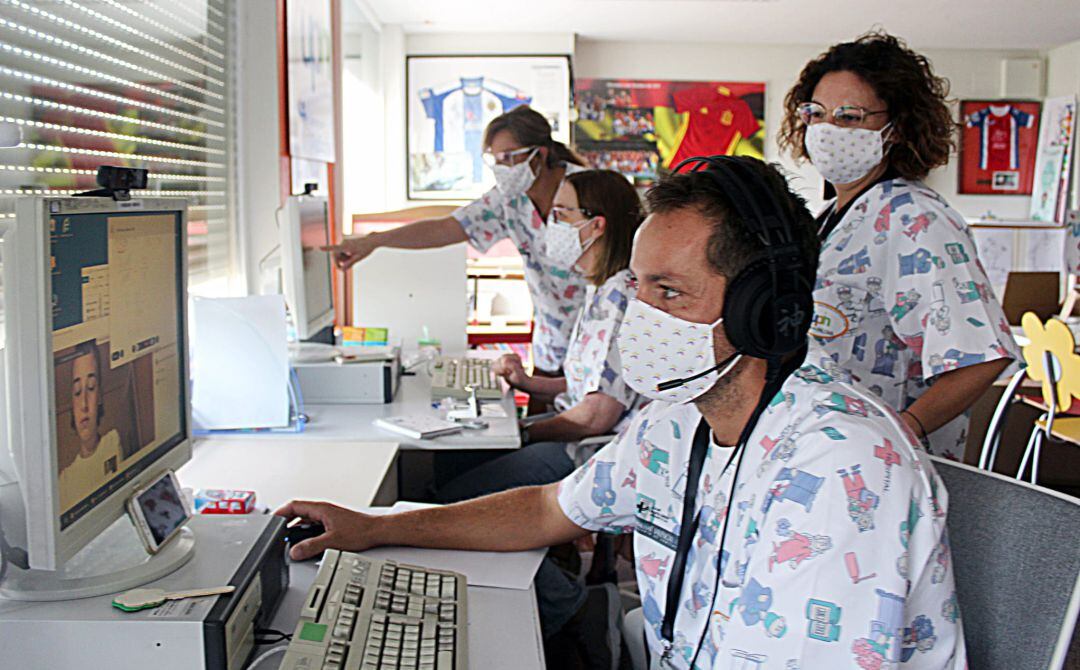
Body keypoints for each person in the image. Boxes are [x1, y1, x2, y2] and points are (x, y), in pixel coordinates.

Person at [277, 158, 965, 669]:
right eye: (637, 287)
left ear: (765, 310)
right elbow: (551, 509)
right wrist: (375, 528)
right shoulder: (677, 417)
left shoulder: (842, 466)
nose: (640, 315)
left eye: (670, 292)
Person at [778, 31, 1020, 459]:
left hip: (881, 466)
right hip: (817, 451)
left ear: (896, 128)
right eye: (816, 113)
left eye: (850, 117)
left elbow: (981, 357)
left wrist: (897, 434)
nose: (827, 129)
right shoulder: (828, 218)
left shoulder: (916, 220)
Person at [327, 106, 588, 403]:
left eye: (508, 157)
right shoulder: (508, 200)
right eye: (494, 159)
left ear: (539, 155)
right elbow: (444, 229)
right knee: (536, 435)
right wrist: (374, 242)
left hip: (598, 345)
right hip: (551, 348)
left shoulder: (589, 189)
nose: (501, 167)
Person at [437, 169, 647, 504]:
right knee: (449, 459)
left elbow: (595, 416)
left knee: (453, 496)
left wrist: (522, 432)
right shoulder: (599, 287)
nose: (552, 224)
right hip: (575, 433)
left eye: (562, 214)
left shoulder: (621, 297)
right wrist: (526, 382)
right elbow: (590, 385)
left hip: (591, 451)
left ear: (597, 225)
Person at [58, 340, 122, 511]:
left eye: (91, 388)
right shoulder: (64, 480)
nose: (84, 404)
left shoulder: (113, 441)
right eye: (78, 392)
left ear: (100, 396)